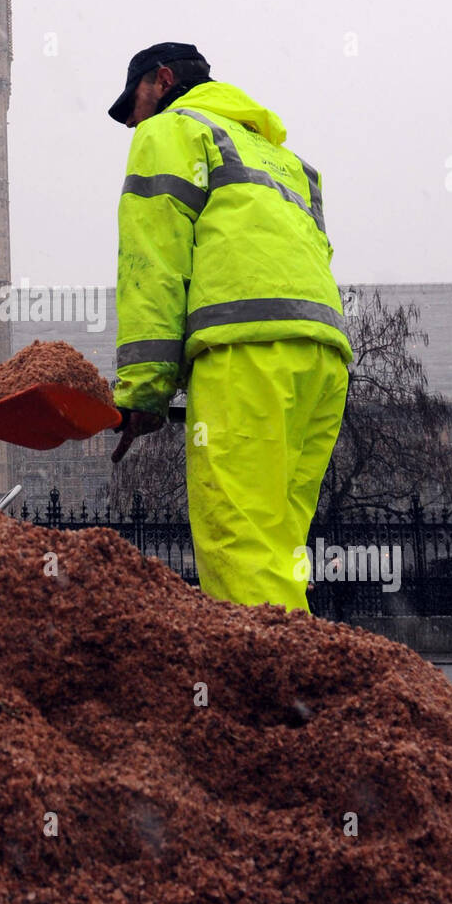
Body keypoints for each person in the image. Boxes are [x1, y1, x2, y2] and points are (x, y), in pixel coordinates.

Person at [108, 42, 352, 611]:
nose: (134, 122)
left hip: (247, 352)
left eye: (135, 104)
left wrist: (143, 389)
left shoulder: (172, 131)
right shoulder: (280, 157)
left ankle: (272, 692)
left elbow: (153, 262)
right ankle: (315, 684)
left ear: (162, 80)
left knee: (237, 539)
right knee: (279, 547)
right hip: (322, 358)